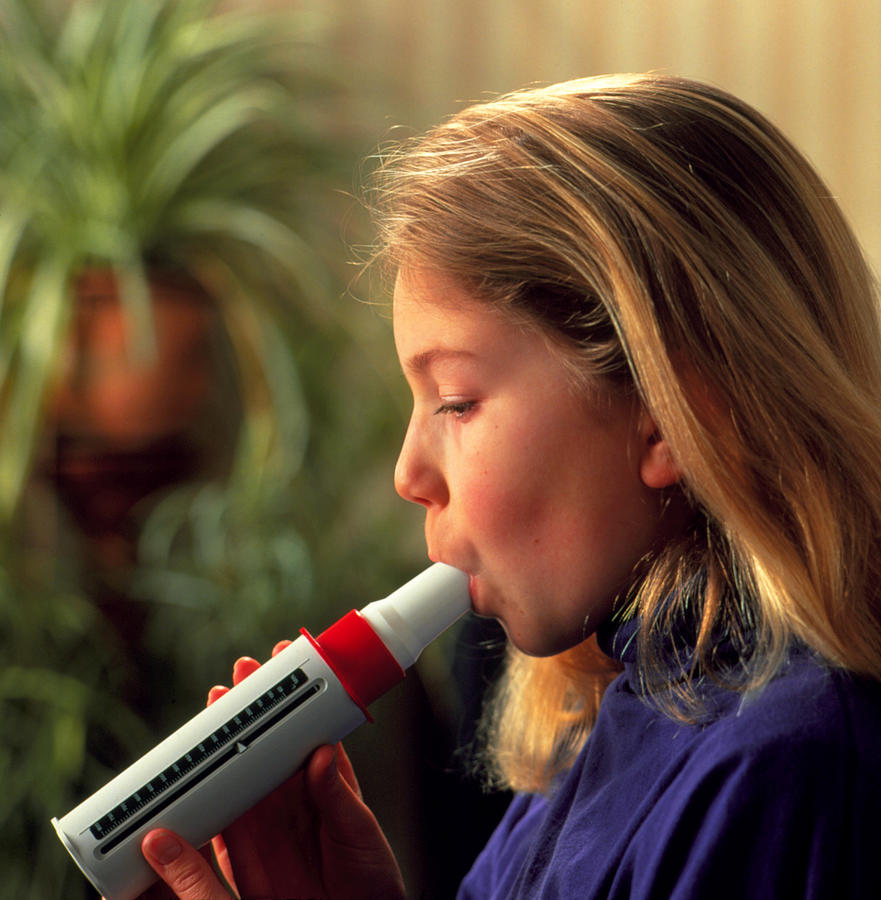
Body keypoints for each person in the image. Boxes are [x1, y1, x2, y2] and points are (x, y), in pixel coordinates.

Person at [136, 73, 881, 899]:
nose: (407, 474)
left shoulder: (777, 769)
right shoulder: (603, 730)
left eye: (455, 401)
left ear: (671, 410)